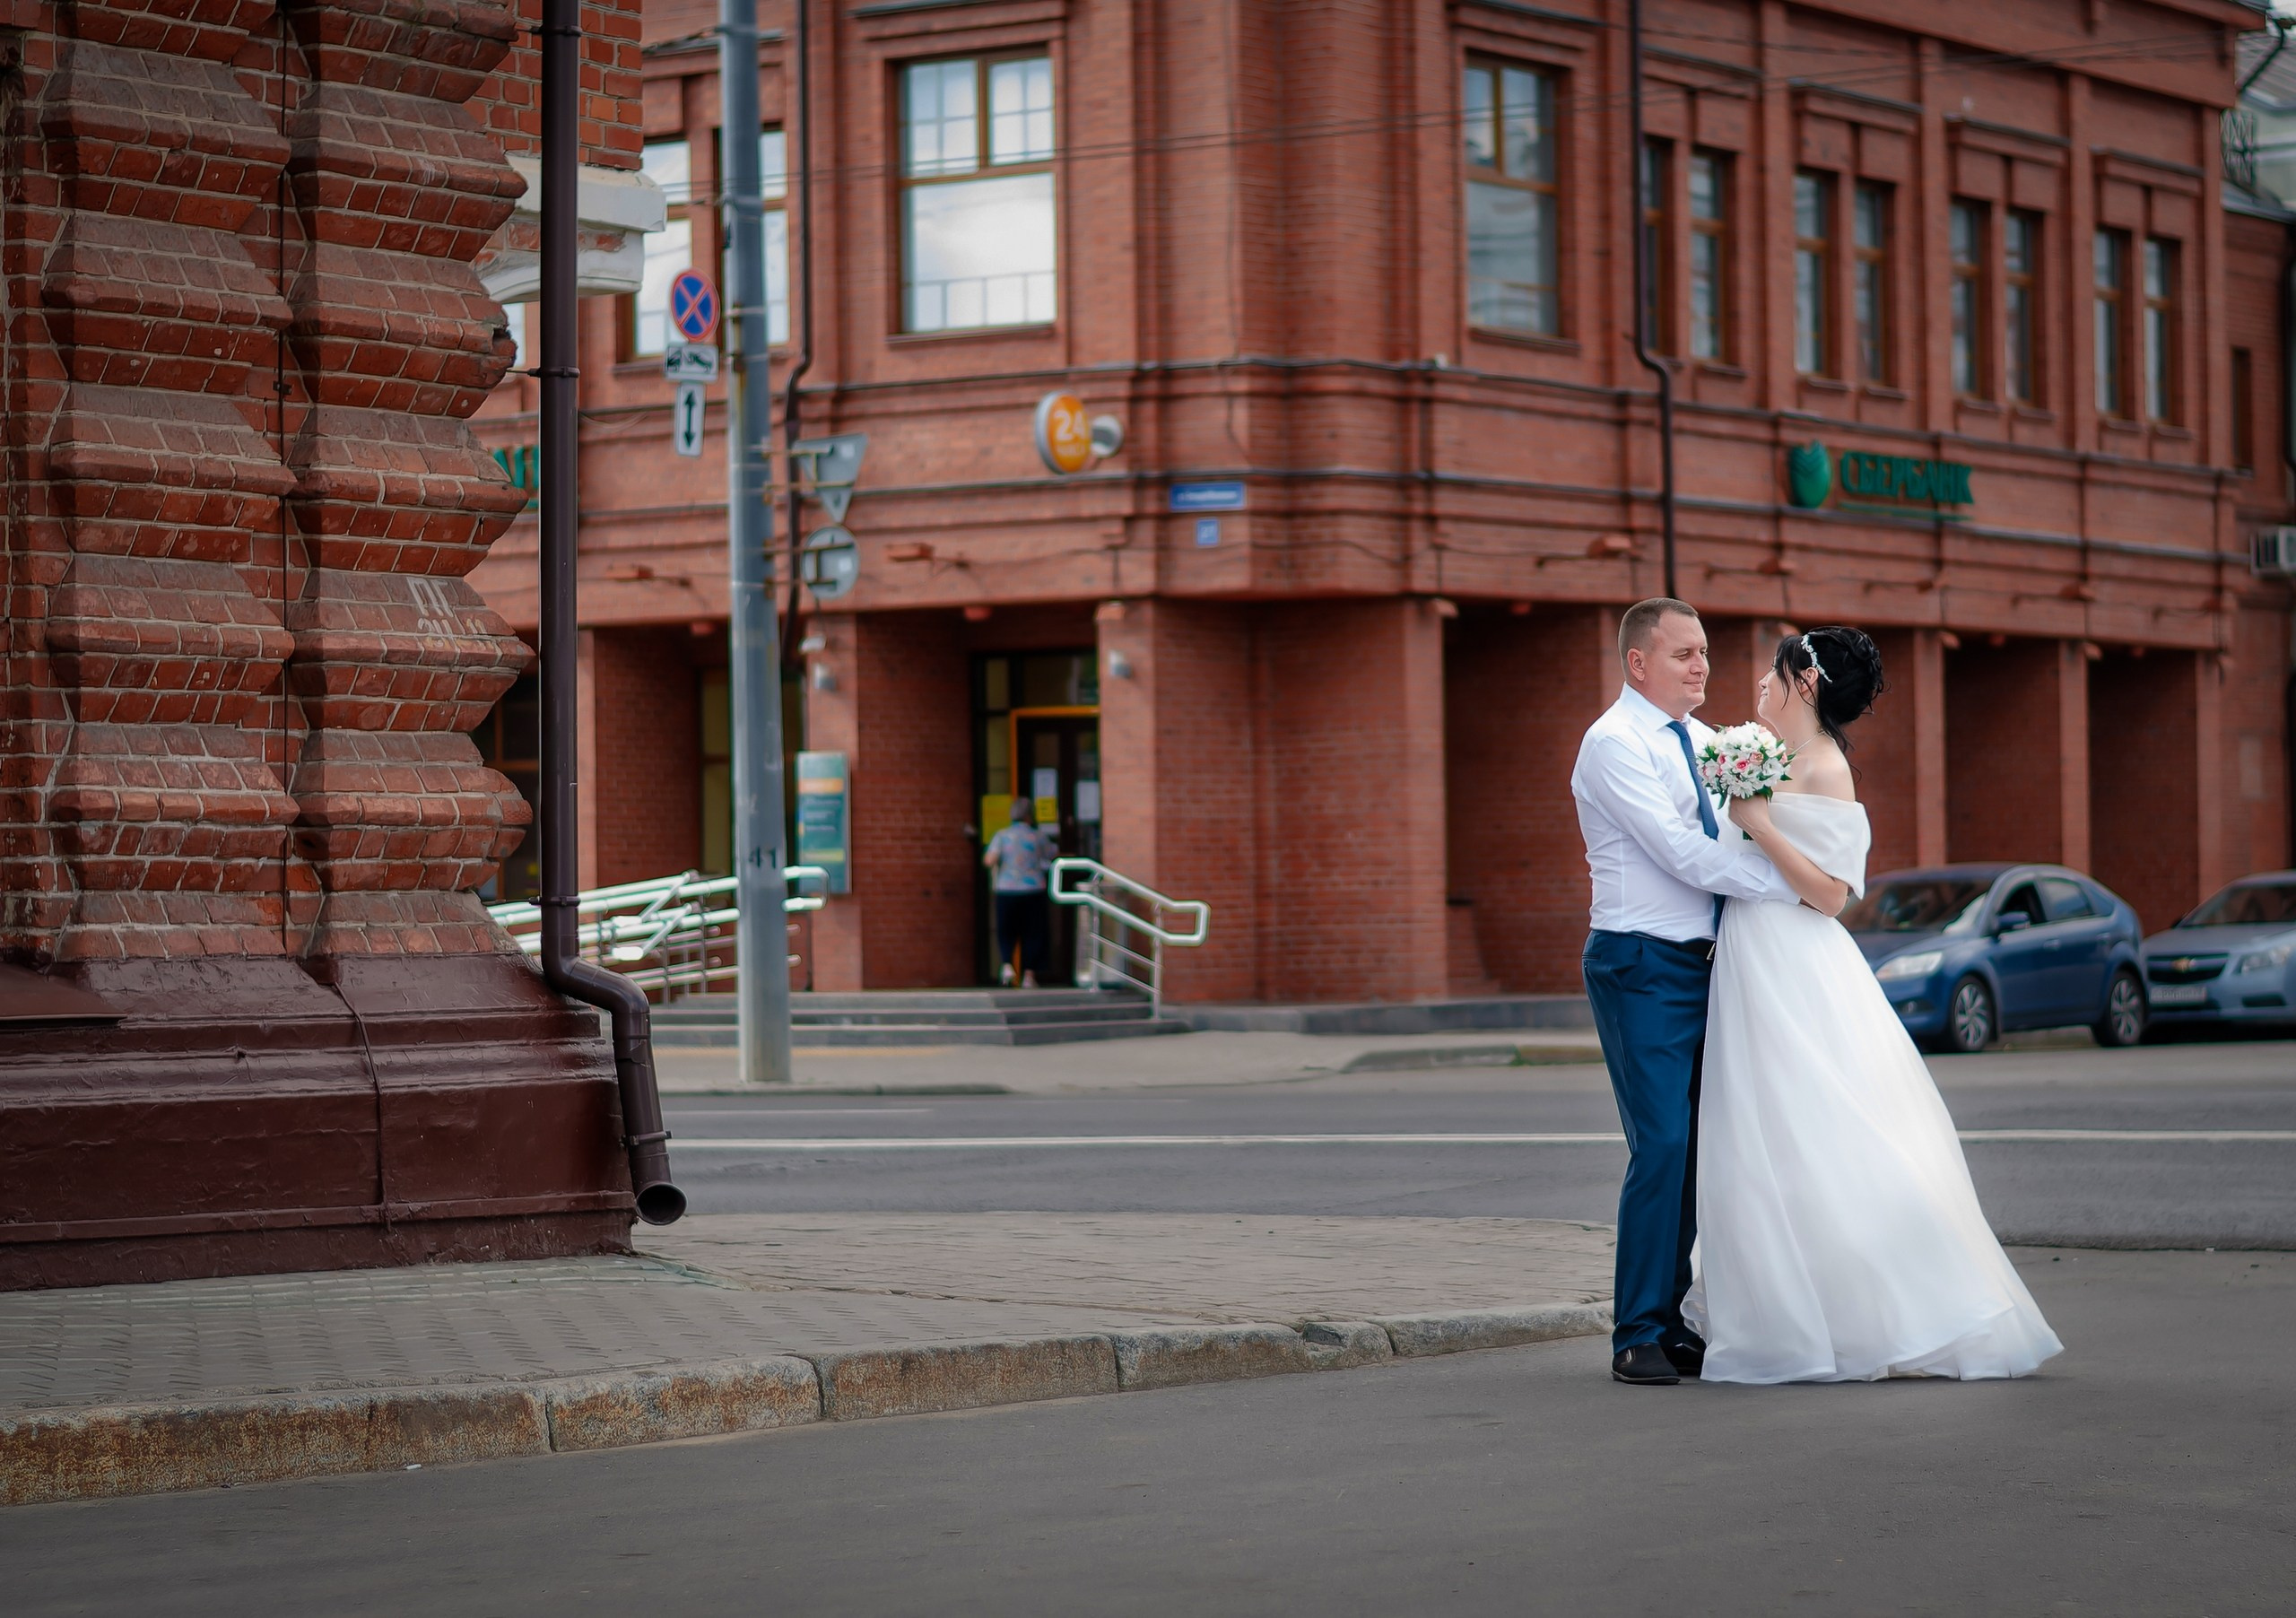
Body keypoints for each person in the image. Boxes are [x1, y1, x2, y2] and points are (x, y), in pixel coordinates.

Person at [1682, 627, 2062, 1382]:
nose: (1760, 680)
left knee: (1812, 1123)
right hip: (1750, 957)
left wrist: (1755, 822)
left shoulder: (1825, 771)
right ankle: (1776, 1306)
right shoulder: (1766, 755)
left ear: (1808, 684)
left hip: (1796, 960)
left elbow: (1829, 895)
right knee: (1758, 1134)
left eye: (1775, 670)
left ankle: (1866, 1313)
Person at [1570, 598, 1802, 1387]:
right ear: (1639, 663)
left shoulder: (1709, 744)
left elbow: (1742, 829)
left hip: (1714, 963)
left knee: (1700, 1150)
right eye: (1683, 654)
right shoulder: (1612, 745)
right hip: (1640, 963)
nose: (1702, 665)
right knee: (1662, 1144)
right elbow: (1678, 852)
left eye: (1704, 653)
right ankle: (1634, 1330)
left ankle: (1670, 1322)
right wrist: (1789, 888)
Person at [984, 796, 1055, 987]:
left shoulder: (1002, 836)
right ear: (1029, 816)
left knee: (1006, 930)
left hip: (1006, 890)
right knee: (1033, 933)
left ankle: (1007, 965)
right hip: (1033, 890)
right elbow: (1052, 855)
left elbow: (989, 860)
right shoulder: (1037, 836)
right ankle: (1029, 975)